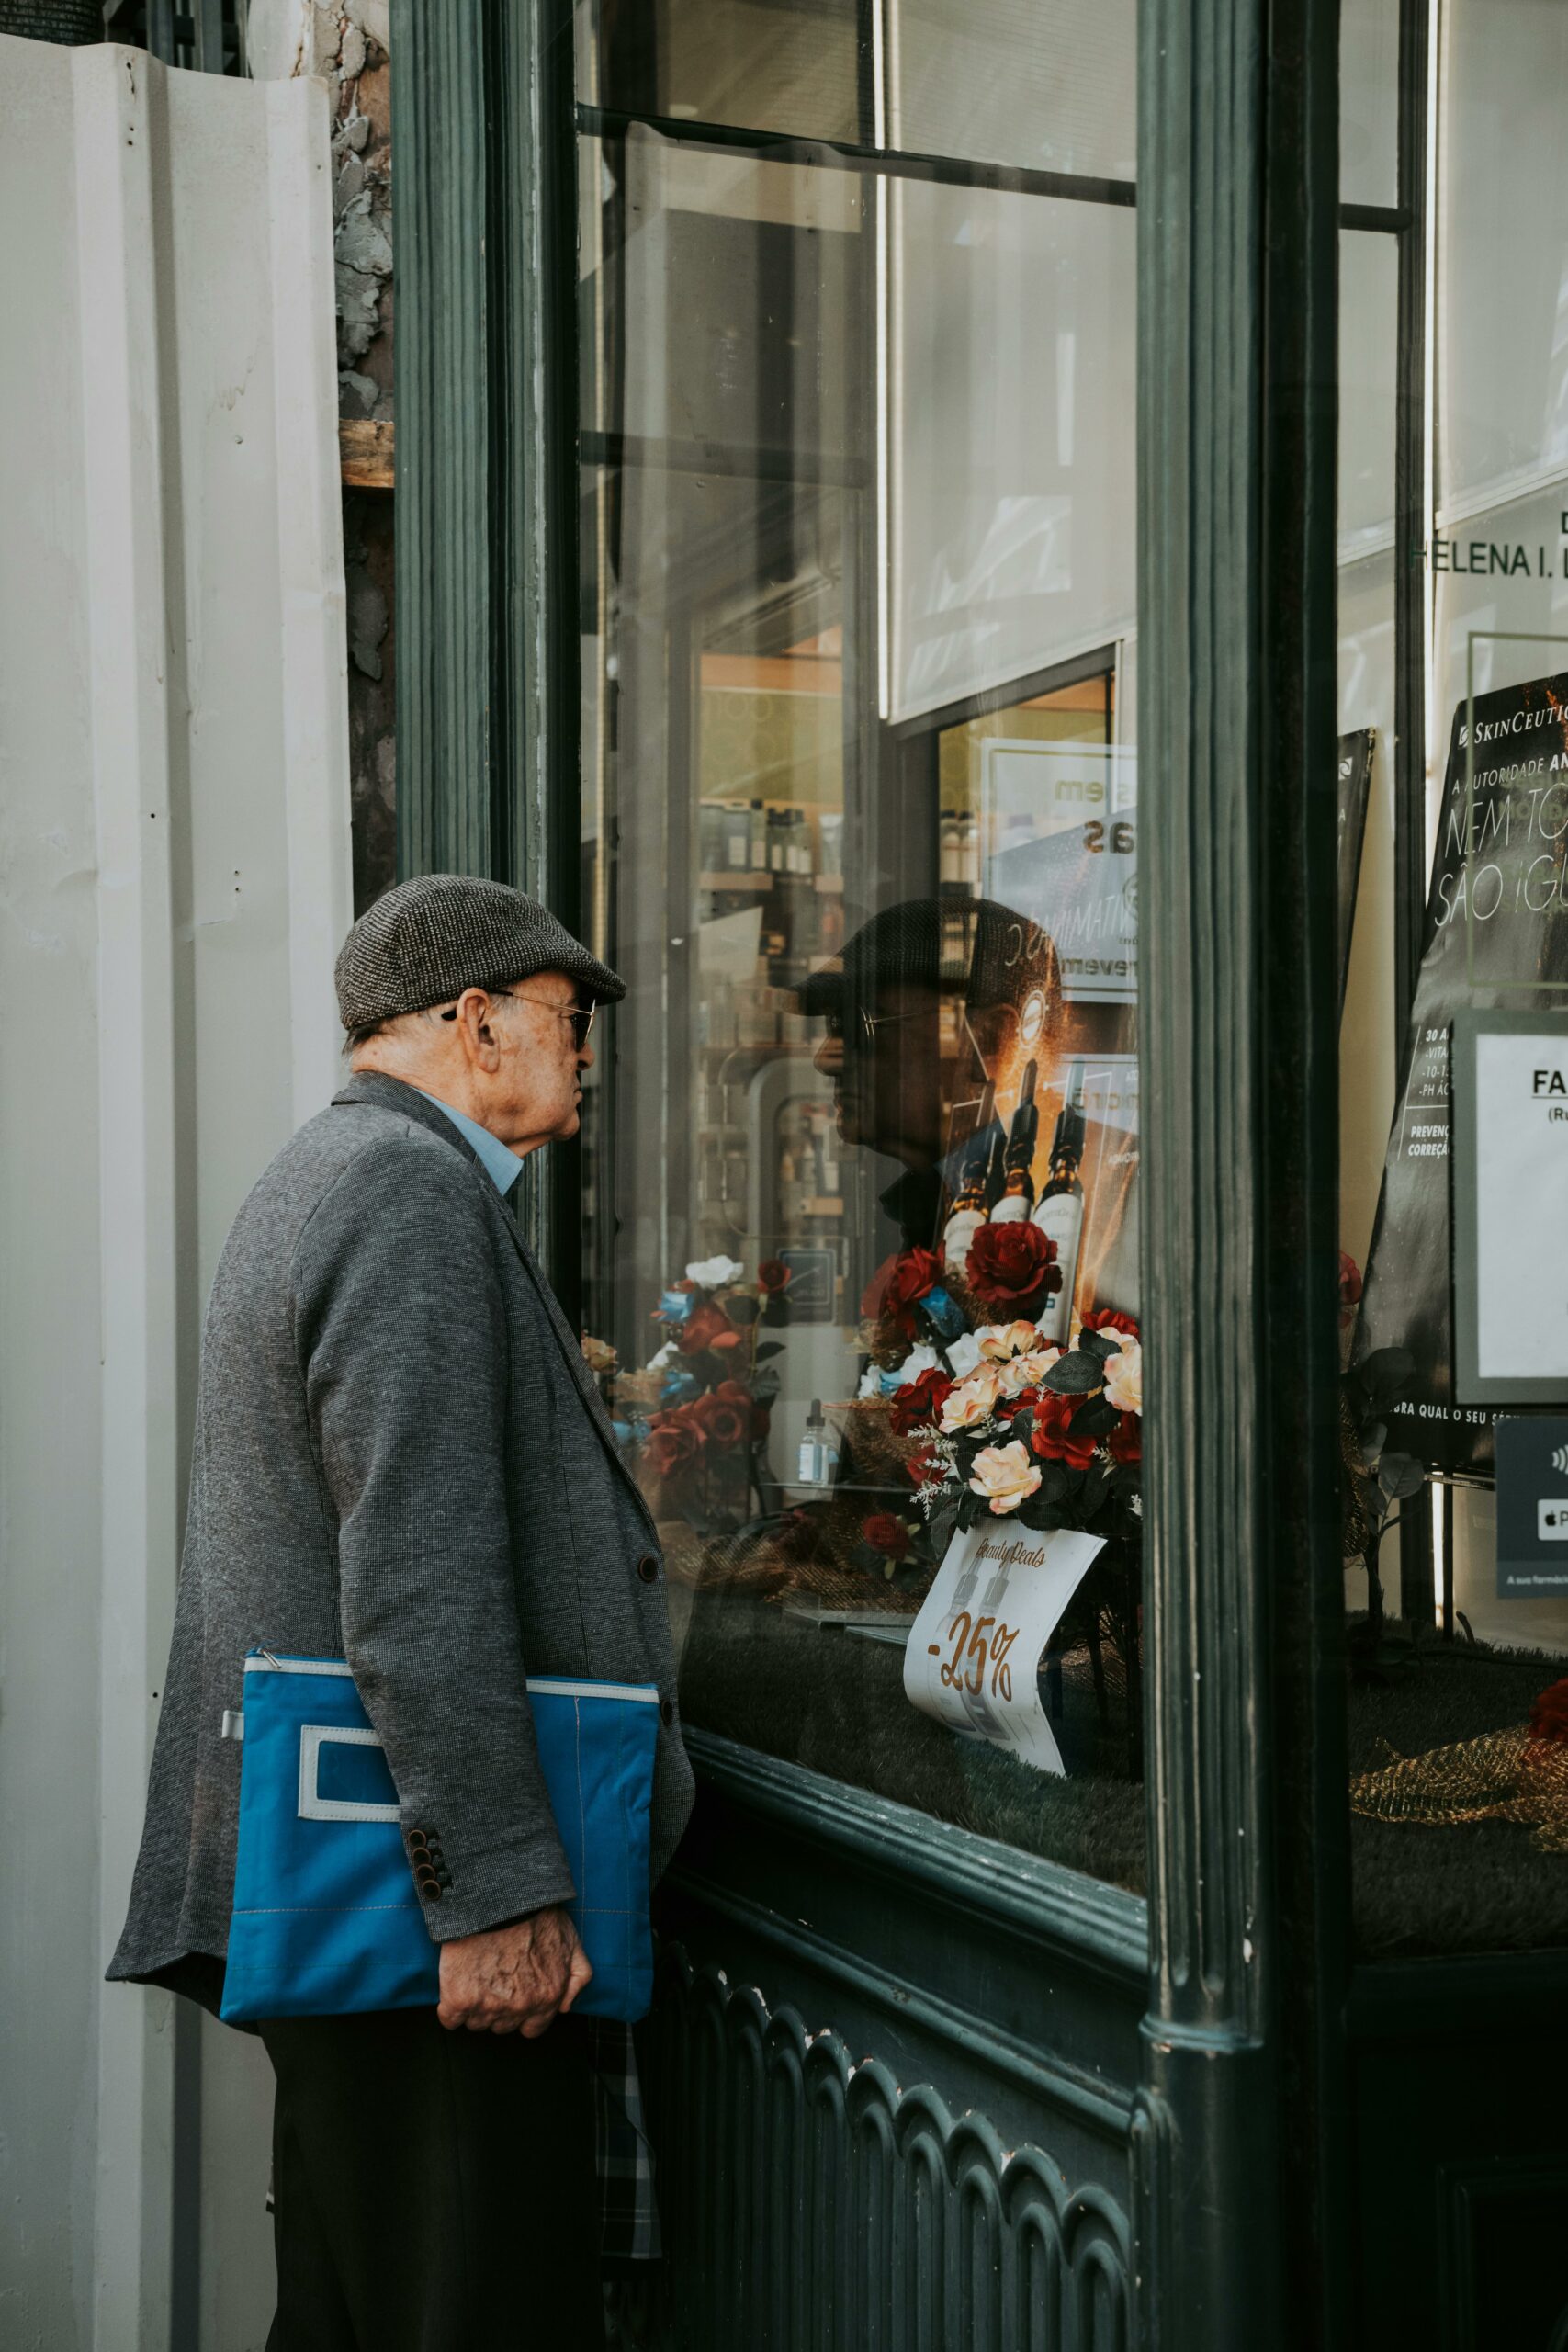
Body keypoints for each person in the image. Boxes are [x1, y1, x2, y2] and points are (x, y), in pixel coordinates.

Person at [108, 873, 694, 2349]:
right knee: (458, 2303)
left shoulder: (344, 1170)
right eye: (567, 1018)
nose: (584, 1053)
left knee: (363, 2299)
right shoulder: (407, 1190)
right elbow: (417, 1576)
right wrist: (493, 1893)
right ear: (474, 1019)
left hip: (374, 1889)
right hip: (429, 1920)